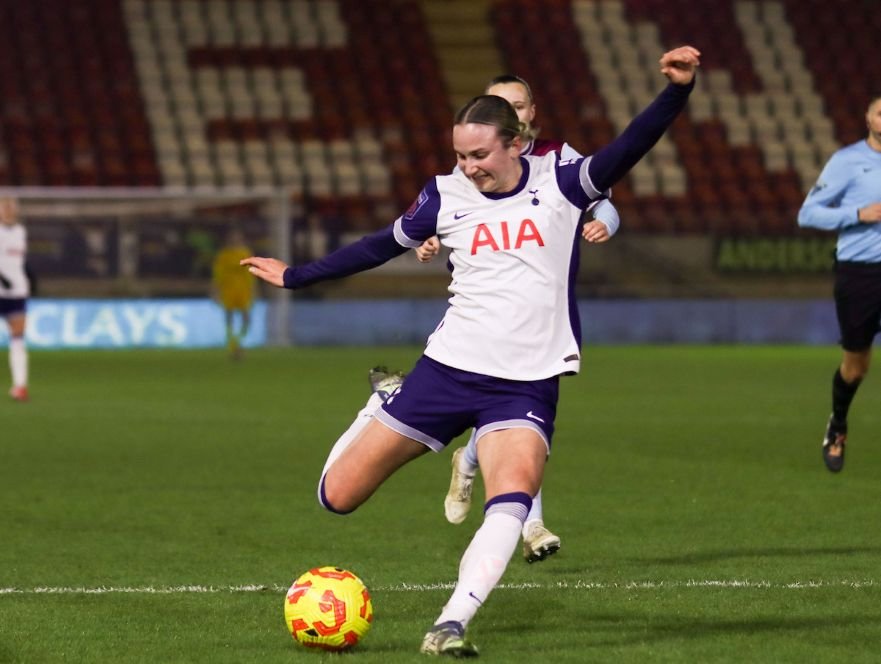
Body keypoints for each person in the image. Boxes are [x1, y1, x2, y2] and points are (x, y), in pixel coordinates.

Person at [243, 45, 698, 657]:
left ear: (516, 143)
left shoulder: (563, 182)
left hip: (526, 384)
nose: (469, 166)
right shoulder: (443, 195)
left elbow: (632, 143)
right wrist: (295, 275)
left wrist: (677, 91)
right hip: (447, 372)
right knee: (337, 497)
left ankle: (451, 624)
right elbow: (379, 246)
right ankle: (385, 398)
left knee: (512, 498)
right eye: (460, 154)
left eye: (479, 154)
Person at [410, 74, 621, 565]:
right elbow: (440, 216)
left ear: (531, 113)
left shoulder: (557, 158)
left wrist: (601, 223)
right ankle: (532, 523)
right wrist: (427, 240)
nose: (513, 112)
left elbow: (605, 200)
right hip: (486, 304)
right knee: (516, 411)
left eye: (519, 103)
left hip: (538, 306)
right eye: (501, 104)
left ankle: (469, 459)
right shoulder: (478, 164)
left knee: (521, 416)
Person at [798, 93, 881, 473]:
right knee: (856, 365)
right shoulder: (848, 162)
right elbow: (808, 213)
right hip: (859, 272)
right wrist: (859, 214)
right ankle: (838, 425)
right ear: (869, 118)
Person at [0, 196, 30, 402]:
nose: (9, 210)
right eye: (5, 207)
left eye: (12, 207)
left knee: (18, 338)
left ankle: (20, 386)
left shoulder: (21, 232)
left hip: (17, 291)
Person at [211, 228, 255, 359]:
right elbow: (217, 275)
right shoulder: (223, 255)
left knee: (246, 318)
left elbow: (251, 274)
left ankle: (239, 342)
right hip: (228, 289)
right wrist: (215, 291)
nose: (235, 240)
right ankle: (233, 346)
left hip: (243, 290)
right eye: (233, 238)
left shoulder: (246, 253)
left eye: (237, 237)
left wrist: (254, 290)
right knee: (229, 317)